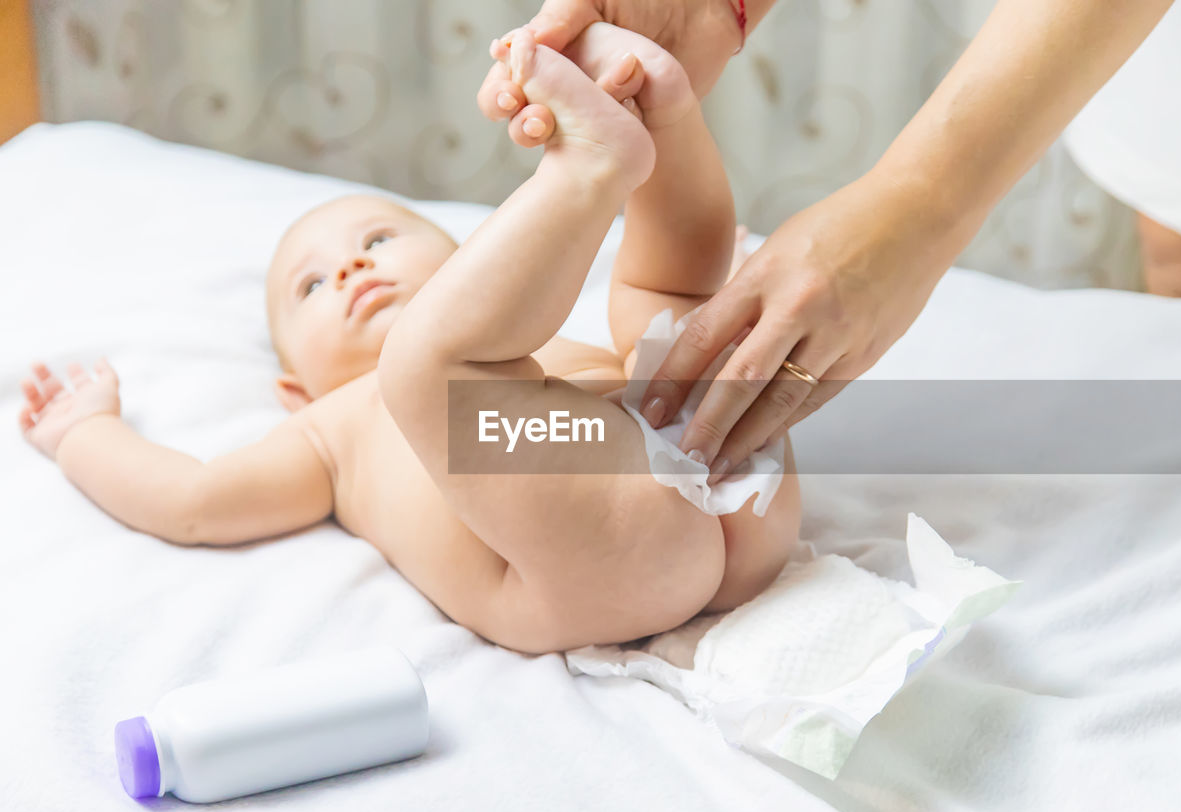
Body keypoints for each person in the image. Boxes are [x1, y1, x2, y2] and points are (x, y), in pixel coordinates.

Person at [16, 25, 800, 655]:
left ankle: (665, 114)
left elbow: (608, 317)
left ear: (478, 269)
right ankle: (588, 168)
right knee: (423, 367)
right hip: (605, 567)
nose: (352, 266)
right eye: (312, 287)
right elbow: (194, 500)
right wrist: (85, 434)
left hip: (717, 472)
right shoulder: (330, 430)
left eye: (381, 237)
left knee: (672, 302)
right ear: (295, 388)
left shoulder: (538, 345)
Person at [479, 0, 1181, 483]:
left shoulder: (441, 395)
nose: (362, 263)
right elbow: (677, 277)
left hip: (680, 505)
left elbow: (670, 277)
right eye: (368, 226)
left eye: (384, 234)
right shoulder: (369, 416)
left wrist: (920, 206)